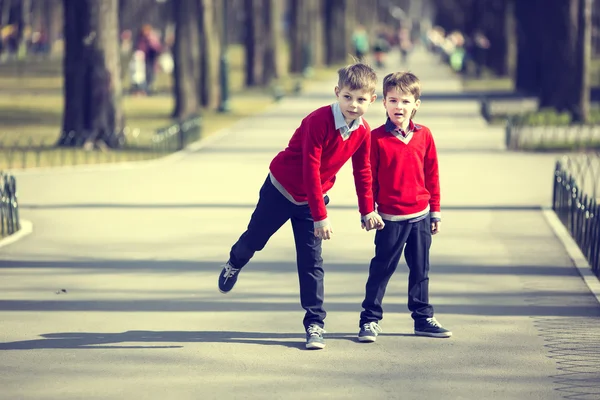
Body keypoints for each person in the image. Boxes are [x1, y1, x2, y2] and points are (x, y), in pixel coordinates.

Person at [217, 62, 384, 350]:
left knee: (311, 262)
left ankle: (315, 324)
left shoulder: (362, 132)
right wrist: (322, 216)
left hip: (312, 200)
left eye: (361, 99)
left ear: (372, 100)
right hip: (281, 190)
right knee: (255, 239)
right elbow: (310, 168)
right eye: (347, 97)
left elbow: (363, 171)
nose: (353, 105)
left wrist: (367, 209)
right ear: (337, 92)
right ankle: (234, 262)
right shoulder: (318, 121)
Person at [357, 71, 452, 343]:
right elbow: (367, 179)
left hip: (420, 217)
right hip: (389, 219)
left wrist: (435, 211)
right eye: (393, 100)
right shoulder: (374, 139)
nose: (399, 107)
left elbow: (432, 174)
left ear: (416, 104)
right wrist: (367, 211)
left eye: (405, 101)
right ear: (383, 103)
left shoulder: (425, 135)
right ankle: (370, 320)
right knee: (382, 269)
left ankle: (422, 318)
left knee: (421, 270)